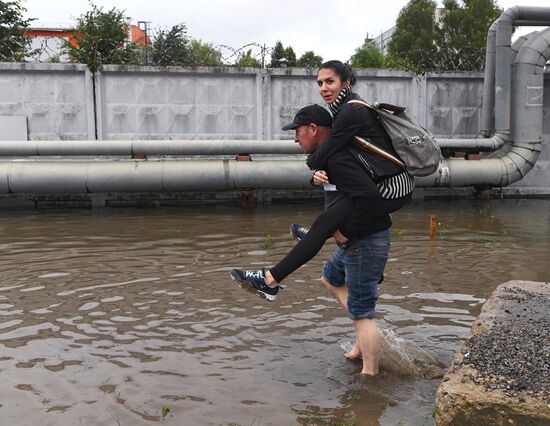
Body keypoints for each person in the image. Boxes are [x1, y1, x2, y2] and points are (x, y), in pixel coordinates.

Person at [231, 60, 414, 375]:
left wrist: (346, 231)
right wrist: (316, 174)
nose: (324, 88)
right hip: (375, 205)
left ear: (345, 82)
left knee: (362, 312)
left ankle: (370, 380)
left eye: (329, 81)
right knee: (330, 277)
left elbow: (337, 167)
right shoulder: (342, 124)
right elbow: (331, 175)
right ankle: (358, 330)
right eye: (319, 83)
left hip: (387, 196)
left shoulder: (350, 113)